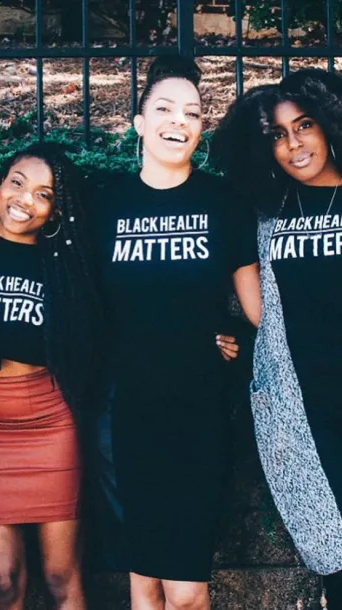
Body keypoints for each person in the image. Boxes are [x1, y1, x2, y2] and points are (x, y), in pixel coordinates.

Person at [87, 56, 260, 610]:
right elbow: (80, 305)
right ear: (138, 122)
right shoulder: (103, 204)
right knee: (145, 589)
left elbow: (259, 309)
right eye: (163, 108)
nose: (178, 121)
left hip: (198, 413)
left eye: (192, 112)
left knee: (186, 592)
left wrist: (230, 333)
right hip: (127, 415)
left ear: (201, 129)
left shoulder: (222, 203)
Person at [0, 143, 101, 610]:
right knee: (2, 578)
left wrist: (208, 335)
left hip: (50, 428)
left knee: (60, 576)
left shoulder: (63, 268)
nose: (24, 199)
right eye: (17, 182)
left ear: (56, 210)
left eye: (44, 194)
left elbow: (121, 320)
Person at [213, 69, 342, 608]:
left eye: (304, 125)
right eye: (277, 135)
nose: (294, 144)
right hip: (306, 406)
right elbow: (257, 313)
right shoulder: (263, 215)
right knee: (335, 553)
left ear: (329, 125)